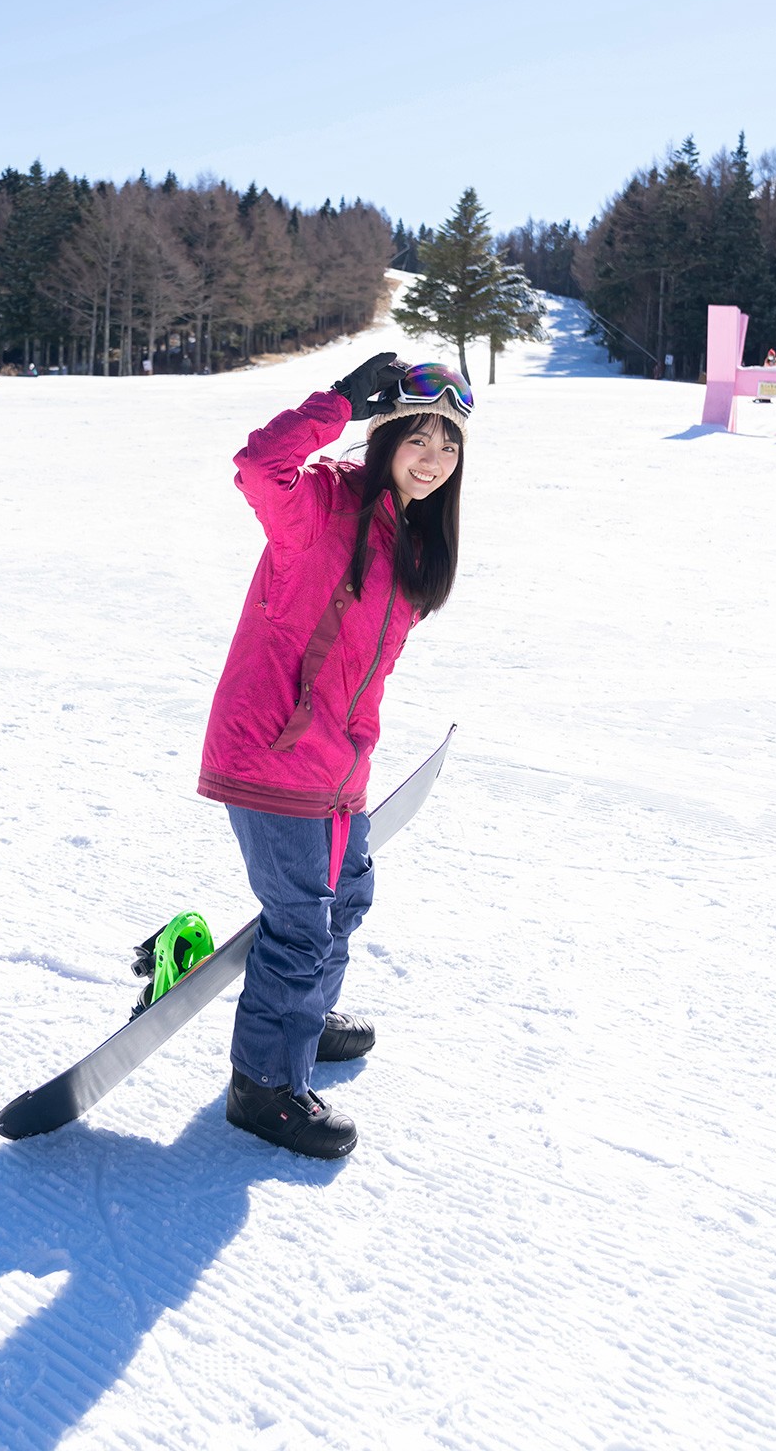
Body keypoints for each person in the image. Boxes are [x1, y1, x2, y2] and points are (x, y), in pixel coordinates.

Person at [198, 349, 470, 1158]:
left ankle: (303, 1020)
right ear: (386, 437)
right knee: (299, 926)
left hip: (336, 763)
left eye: (448, 446)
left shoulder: (411, 540)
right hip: (270, 752)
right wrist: (341, 402)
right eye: (417, 438)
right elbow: (259, 465)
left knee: (347, 898)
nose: (433, 459)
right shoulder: (321, 504)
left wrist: (355, 759)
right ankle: (263, 1087)